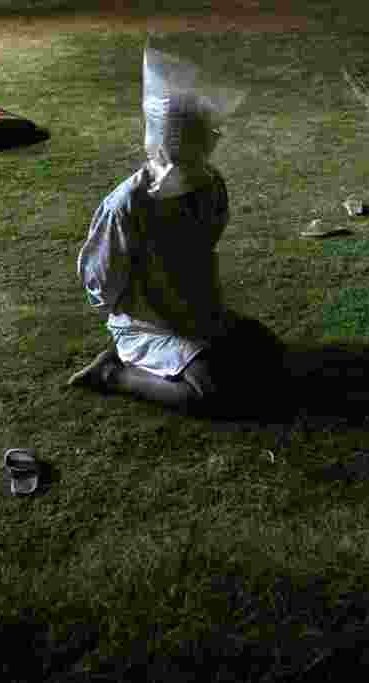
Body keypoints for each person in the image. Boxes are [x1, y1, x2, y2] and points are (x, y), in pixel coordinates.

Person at [67, 42, 284, 416]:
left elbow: (208, 238)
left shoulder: (208, 184)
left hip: (199, 312)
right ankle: (114, 373)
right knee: (210, 393)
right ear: (163, 143)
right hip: (148, 323)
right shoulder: (126, 206)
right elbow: (102, 282)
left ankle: (180, 357)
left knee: (270, 356)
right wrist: (150, 302)